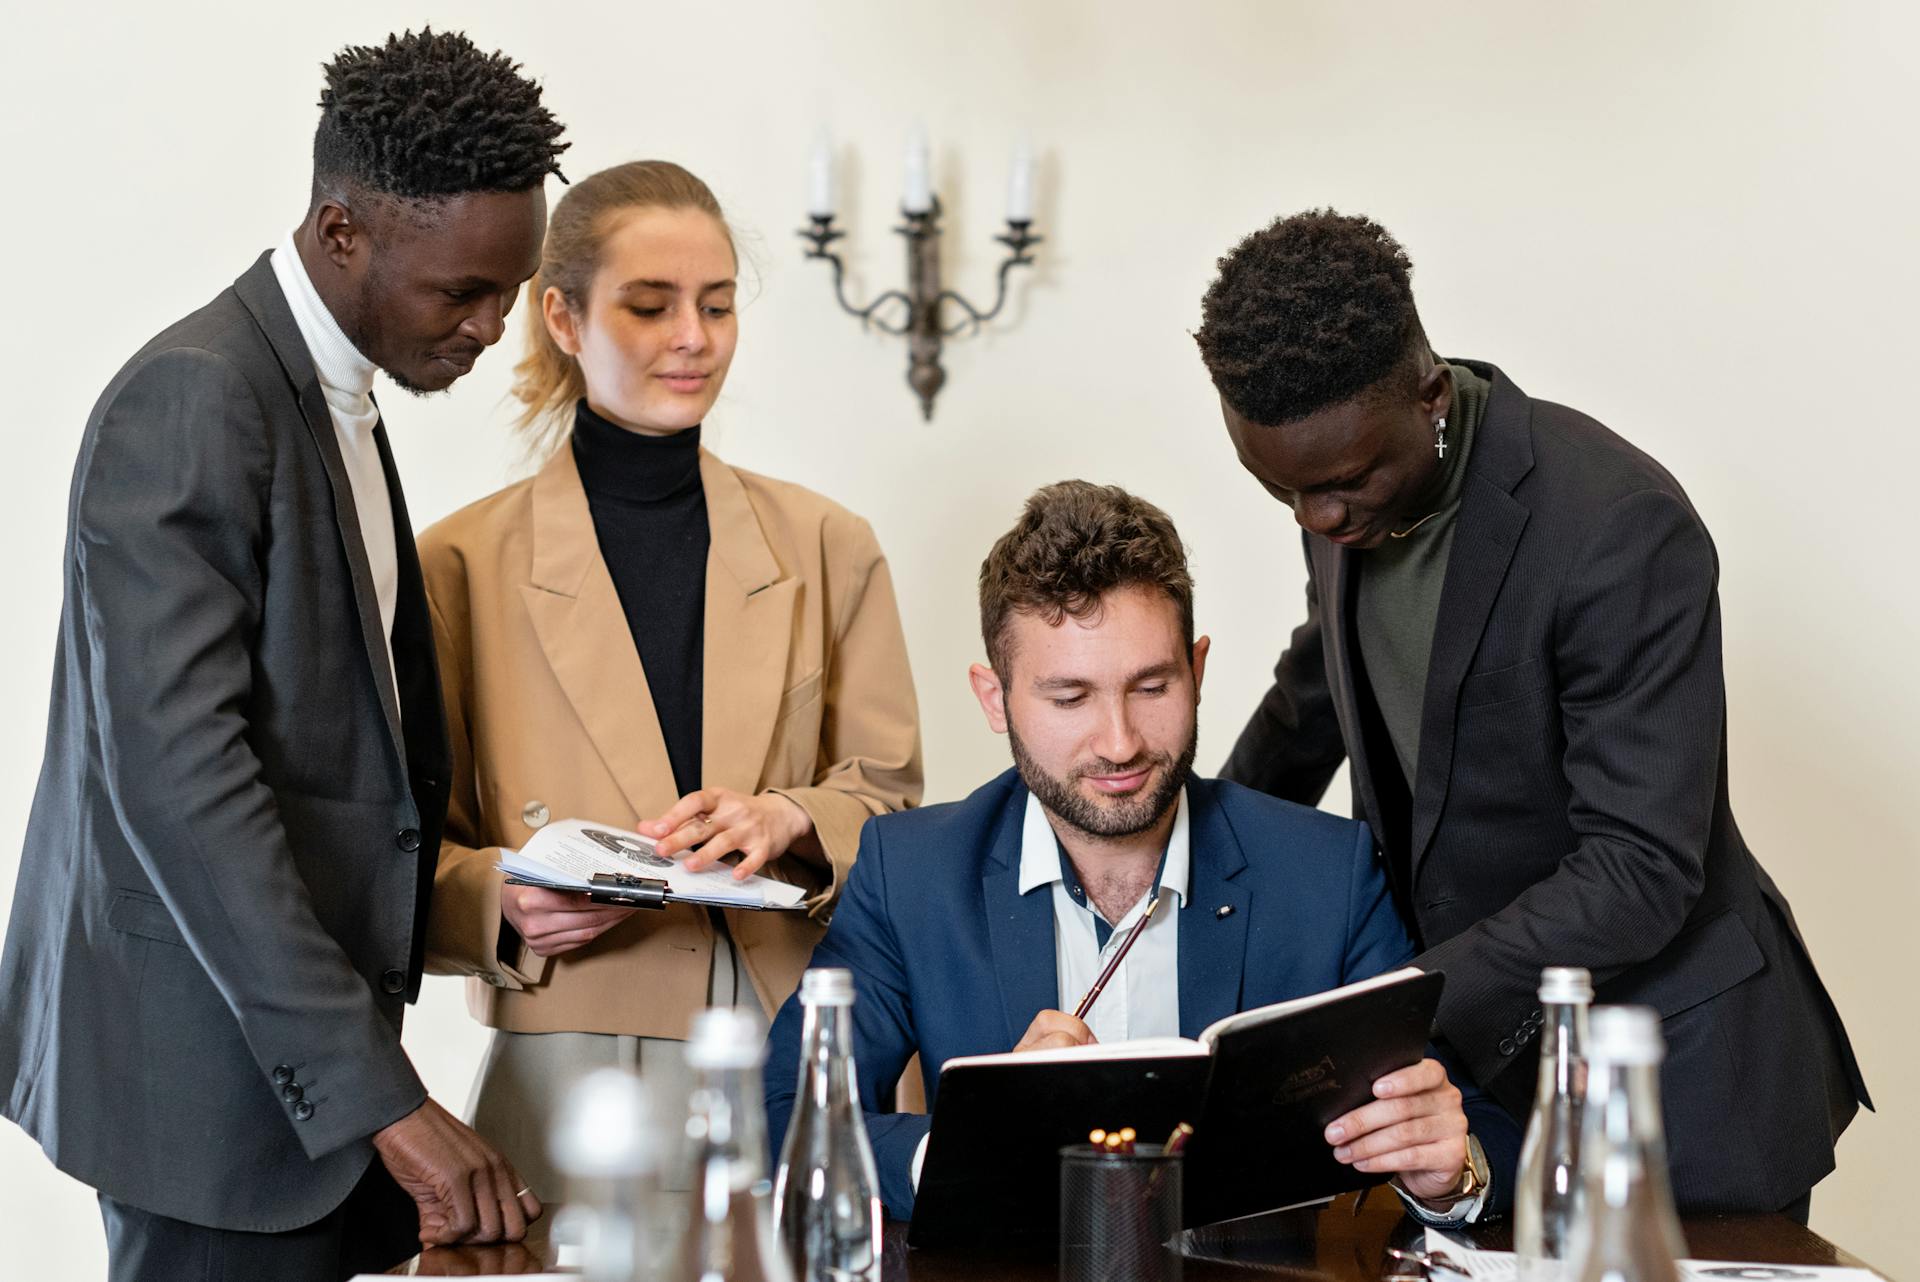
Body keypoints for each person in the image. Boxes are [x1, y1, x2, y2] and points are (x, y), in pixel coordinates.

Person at [0, 30, 567, 1281]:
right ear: (343, 230)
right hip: (208, 1096)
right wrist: (388, 1102)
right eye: (458, 293)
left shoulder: (335, 389)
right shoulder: (197, 397)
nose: (488, 328)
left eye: (508, 291)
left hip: (313, 1081)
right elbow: (181, 785)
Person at [1194, 209, 1868, 1218]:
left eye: (1340, 486)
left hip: (1676, 1077)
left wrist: (1391, 1007)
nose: (1318, 521)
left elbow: (1640, 866)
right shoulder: (1335, 484)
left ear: (1428, 397)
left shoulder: (1617, 526)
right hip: (1492, 1083)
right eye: (1281, 491)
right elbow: (1318, 690)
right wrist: (1191, 854)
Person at [764, 481, 1517, 1224]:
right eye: (1070, 698)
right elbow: (781, 1115)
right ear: (994, 698)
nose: (1120, 742)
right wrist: (977, 1142)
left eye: (1153, 686)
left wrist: (1452, 1172)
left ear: (1197, 669)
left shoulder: (1329, 872)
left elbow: (1469, 1114)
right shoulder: (911, 874)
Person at [418, 160, 923, 1200]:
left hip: (803, 1045)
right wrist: (498, 905)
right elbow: (395, 855)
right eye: (650, 306)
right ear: (562, 317)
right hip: (573, 1071)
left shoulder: (831, 544)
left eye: (719, 304)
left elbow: (897, 807)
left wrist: (790, 815)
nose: (694, 336)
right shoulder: (457, 566)